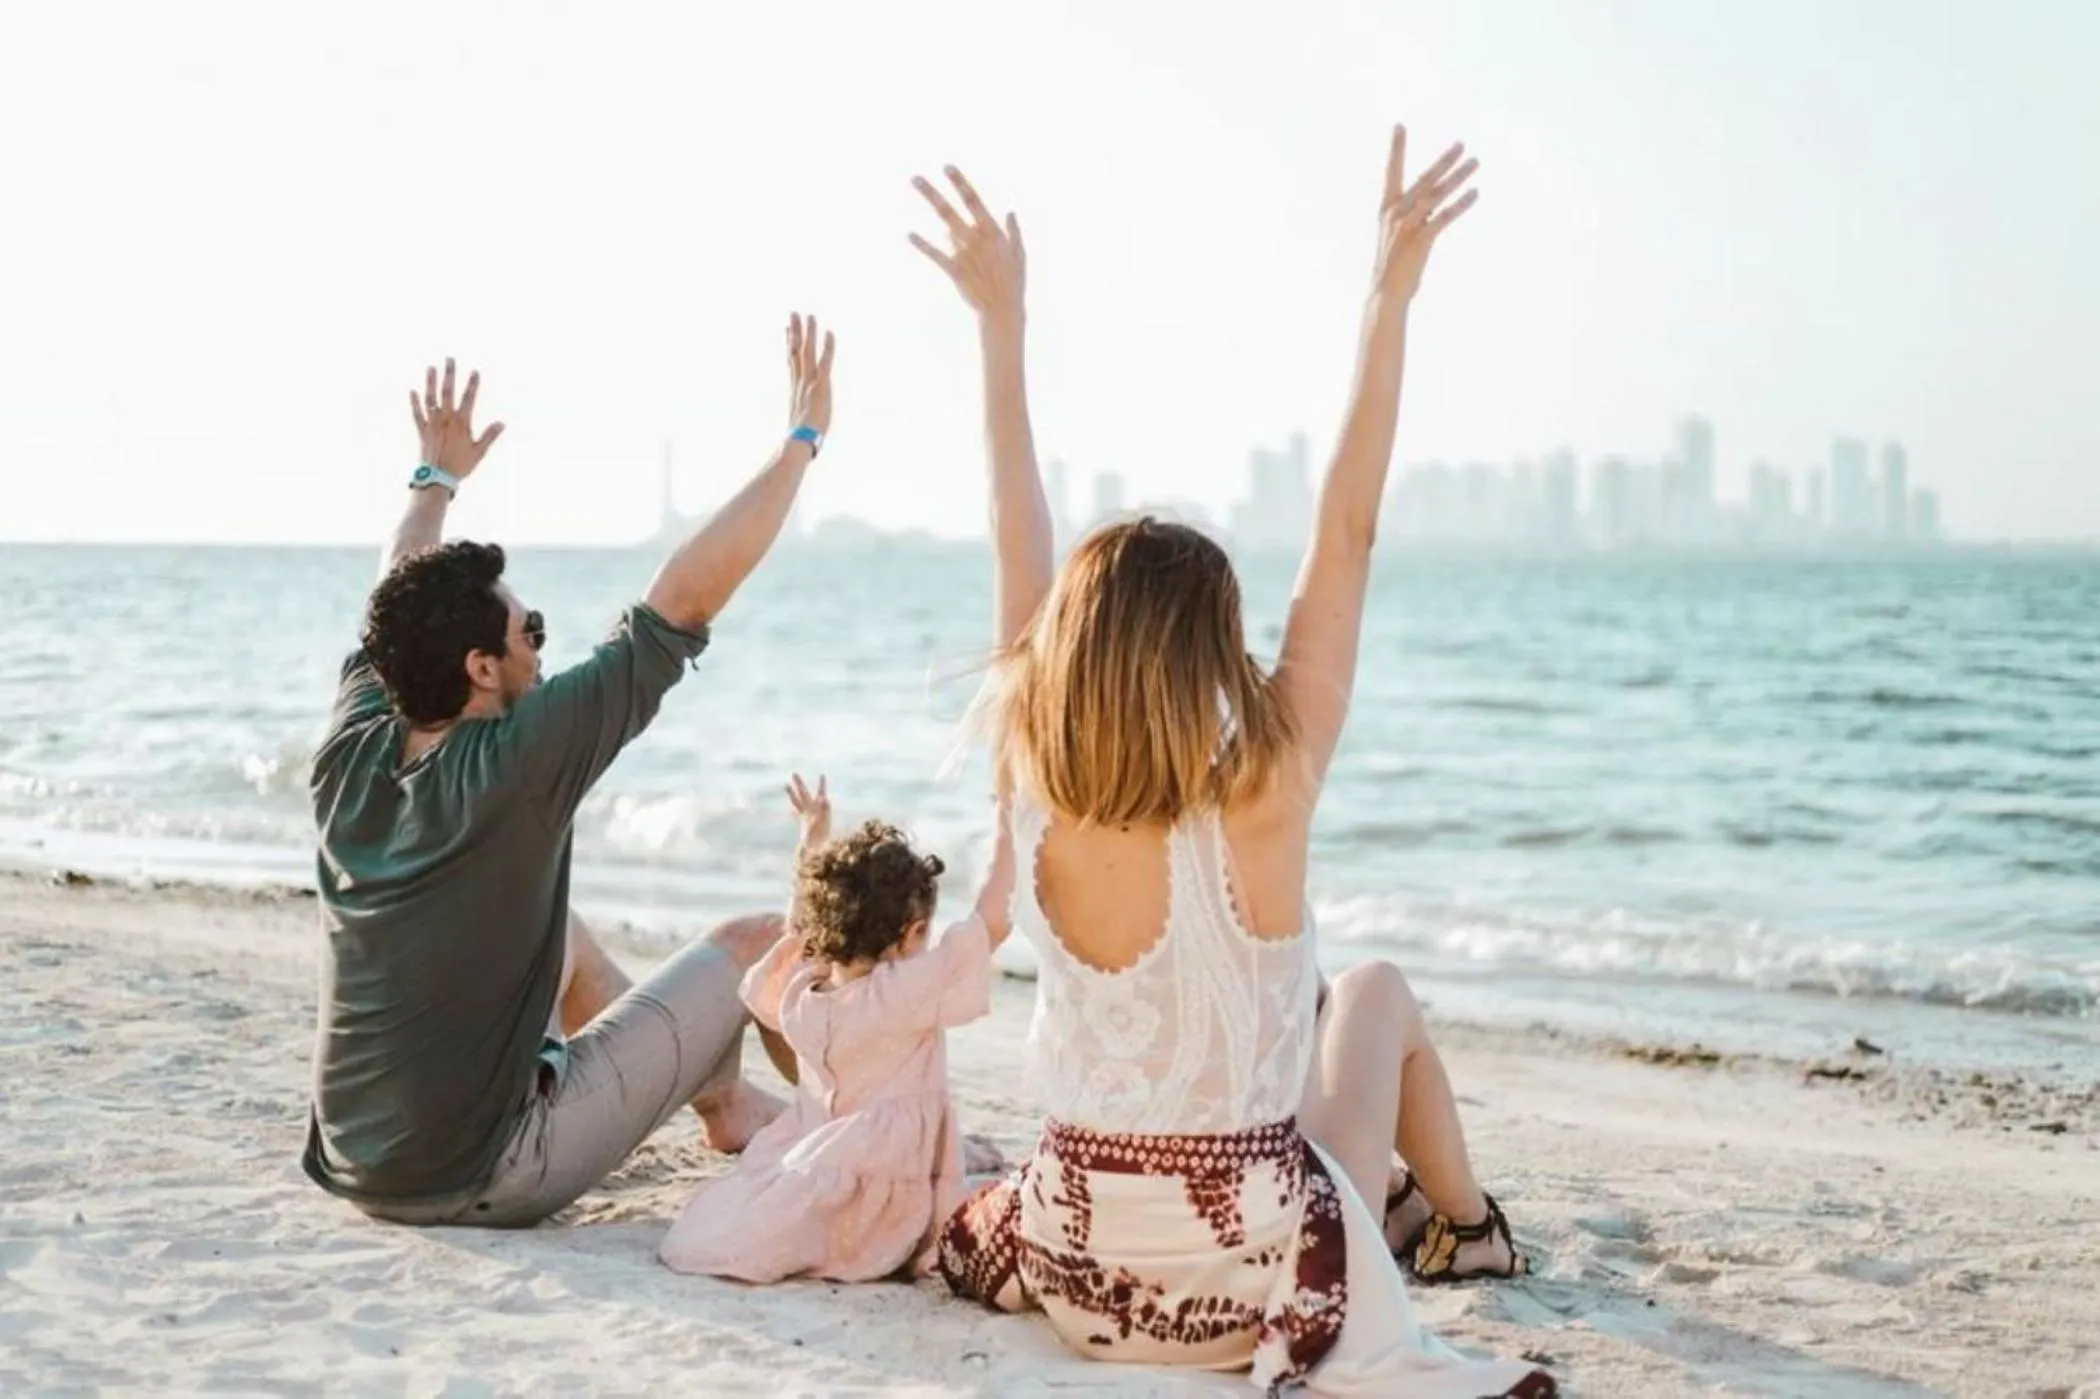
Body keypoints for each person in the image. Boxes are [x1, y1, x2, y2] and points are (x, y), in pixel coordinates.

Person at [913, 129, 1555, 1397]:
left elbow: (1012, 537)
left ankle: (1445, 1215)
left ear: (1063, 650)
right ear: (1209, 654)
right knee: (1371, 994)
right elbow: (1346, 533)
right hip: (1245, 1285)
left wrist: (1001, 332)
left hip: (1081, 1270)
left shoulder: (1028, 780)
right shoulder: (1268, 789)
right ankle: (1468, 1224)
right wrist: (1388, 295)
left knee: (1296, 1035)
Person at [301, 316, 836, 1227]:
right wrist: (801, 442)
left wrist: (433, 482)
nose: (541, 651)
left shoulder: (352, 740)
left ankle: (726, 1104)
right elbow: (682, 600)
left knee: (561, 926)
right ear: (481, 668)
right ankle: (844, 1137)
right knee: (757, 941)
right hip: (490, 1170)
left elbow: (390, 595)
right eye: (531, 632)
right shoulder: (519, 759)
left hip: (358, 1161)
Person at [659, 774, 1015, 1282]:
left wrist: (813, 836)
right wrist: (1008, 821)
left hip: (817, 1152)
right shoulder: (902, 995)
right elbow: (991, 921)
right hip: (889, 1192)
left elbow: (800, 924)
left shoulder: (803, 989)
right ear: (911, 933)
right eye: (925, 933)